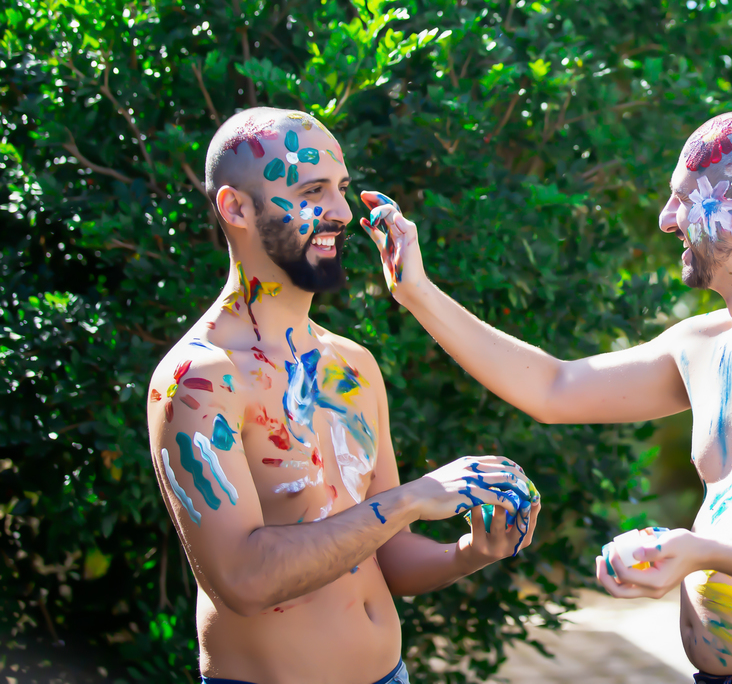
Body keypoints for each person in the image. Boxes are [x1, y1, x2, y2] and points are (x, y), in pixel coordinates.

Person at [360, 109, 732, 684]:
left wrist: (702, 553)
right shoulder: (707, 347)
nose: (666, 218)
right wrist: (417, 293)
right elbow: (555, 388)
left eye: (681, 198)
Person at [147, 107, 540, 684]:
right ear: (235, 208)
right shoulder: (200, 380)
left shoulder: (352, 365)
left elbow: (388, 557)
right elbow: (242, 582)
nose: (340, 212)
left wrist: (472, 551)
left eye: (342, 189)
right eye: (312, 190)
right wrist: (412, 498)